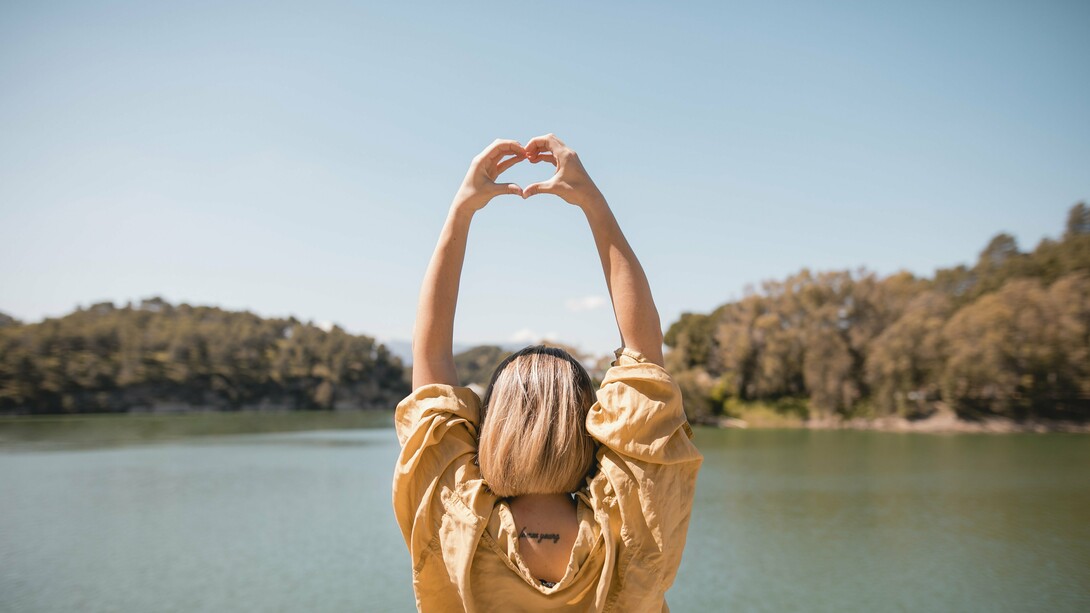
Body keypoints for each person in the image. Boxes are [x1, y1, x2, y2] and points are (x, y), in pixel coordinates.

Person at [392, 134, 703, 612]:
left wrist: (461, 212)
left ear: (491, 427)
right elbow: (644, 353)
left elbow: (430, 365)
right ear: (587, 426)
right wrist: (594, 206)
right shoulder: (634, 518)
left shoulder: (453, 519)